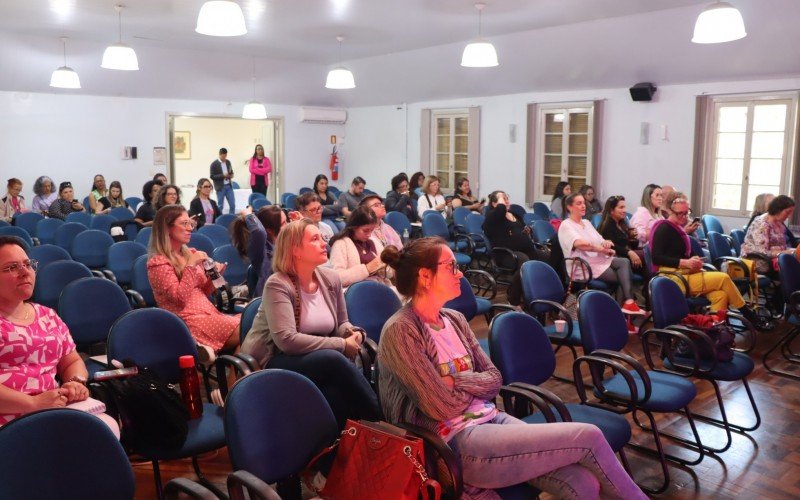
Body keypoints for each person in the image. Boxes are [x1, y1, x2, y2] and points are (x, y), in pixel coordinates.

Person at [378, 238, 646, 499]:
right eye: (451, 266)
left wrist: (455, 381)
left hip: (490, 419)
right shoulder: (401, 330)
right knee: (589, 436)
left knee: (581, 481)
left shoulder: (455, 319)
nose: (460, 273)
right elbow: (439, 408)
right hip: (455, 444)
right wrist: (471, 387)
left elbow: (495, 379)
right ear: (425, 276)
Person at [240, 219, 381, 428]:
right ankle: (384, 422)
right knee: (334, 360)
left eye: (322, 237)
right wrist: (342, 344)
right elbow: (287, 341)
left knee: (336, 396)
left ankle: (349, 444)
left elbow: (341, 323)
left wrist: (352, 333)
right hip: (278, 358)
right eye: (315, 239)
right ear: (295, 249)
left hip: (319, 357)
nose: (324, 242)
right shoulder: (278, 284)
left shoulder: (330, 278)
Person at [0, 236, 118, 435]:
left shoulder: (47, 315)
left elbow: (71, 361)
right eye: (11, 267)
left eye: (28, 264)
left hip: (52, 407)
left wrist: (76, 382)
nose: (24, 272)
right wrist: (33, 403)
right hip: (10, 418)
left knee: (106, 428)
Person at [650, 191, 760, 323]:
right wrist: (685, 263)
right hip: (673, 279)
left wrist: (694, 260)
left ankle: (712, 328)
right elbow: (656, 258)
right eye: (680, 213)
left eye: (687, 212)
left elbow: (680, 254)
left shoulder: (678, 230)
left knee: (721, 295)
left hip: (684, 274)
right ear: (668, 211)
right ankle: (749, 316)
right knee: (723, 278)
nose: (684, 217)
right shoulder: (664, 229)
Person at [147, 205, 240, 355]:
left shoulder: (190, 253)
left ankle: (236, 375)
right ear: (167, 228)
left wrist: (214, 276)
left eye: (191, 223)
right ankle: (237, 374)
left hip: (209, 314)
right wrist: (190, 265)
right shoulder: (158, 264)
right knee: (251, 331)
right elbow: (179, 299)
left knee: (254, 324)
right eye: (184, 224)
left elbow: (203, 291)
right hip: (186, 322)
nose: (190, 228)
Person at [559, 192, 645, 314]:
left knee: (624, 262)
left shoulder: (587, 223)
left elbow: (601, 239)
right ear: (569, 207)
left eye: (584, 203)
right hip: (583, 266)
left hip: (599, 260)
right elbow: (580, 244)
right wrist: (600, 249)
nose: (583, 206)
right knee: (624, 278)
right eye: (579, 203)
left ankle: (628, 304)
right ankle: (620, 314)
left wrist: (606, 244)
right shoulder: (566, 225)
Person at [329, 206, 392, 289]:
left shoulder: (374, 241)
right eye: (365, 230)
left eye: (372, 230)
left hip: (379, 287)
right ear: (353, 227)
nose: (369, 234)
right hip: (356, 293)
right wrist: (367, 269)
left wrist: (386, 266)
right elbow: (337, 279)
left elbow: (389, 275)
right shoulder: (341, 244)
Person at [231, 205, 286, 298]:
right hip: (269, 300)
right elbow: (259, 232)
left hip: (286, 294)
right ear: (269, 230)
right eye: (284, 223)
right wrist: (248, 214)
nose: (288, 225)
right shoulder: (261, 250)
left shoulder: (285, 243)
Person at [742, 195, 796, 274]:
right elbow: (763, 252)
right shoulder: (762, 224)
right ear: (778, 210)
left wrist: (793, 251)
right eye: (787, 212)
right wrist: (787, 253)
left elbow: (782, 247)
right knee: (793, 267)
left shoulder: (778, 224)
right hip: (758, 261)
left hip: (774, 259)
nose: (789, 216)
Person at [598, 195, 643, 271]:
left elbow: (627, 244)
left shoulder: (622, 223)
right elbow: (612, 246)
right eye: (621, 207)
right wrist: (629, 252)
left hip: (626, 255)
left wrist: (633, 238)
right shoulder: (606, 226)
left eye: (624, 207)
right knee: (646, 255)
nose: (625, 210)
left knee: (647, 252)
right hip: (617, 259)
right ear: (611, 210)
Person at [210, 147, 235, 214]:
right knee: (220, 206)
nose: (224, 157)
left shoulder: (228, 162)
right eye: (223, 156)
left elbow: (231, 171)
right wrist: (223, 175)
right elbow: (212, 176)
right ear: (220, 154)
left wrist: (231, 175)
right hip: (220, 187)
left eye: (225, 155)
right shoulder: (214, 164)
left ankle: (232, 220)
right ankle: (219, 220)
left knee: (232, 205)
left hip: (228, 186)